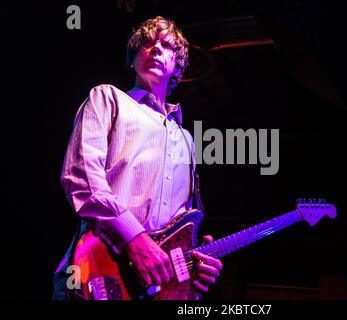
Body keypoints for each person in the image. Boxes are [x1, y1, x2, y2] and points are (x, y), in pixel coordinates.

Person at [53, 16, 222, 299]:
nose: (155, 48)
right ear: (131, 61)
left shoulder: (186, 139)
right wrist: (135, 238)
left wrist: (194, 265)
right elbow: (82, 178)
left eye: (166, 46)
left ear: (177, 67)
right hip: (98, 272)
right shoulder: (107, 98)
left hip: (159, 289)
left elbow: (183, 223)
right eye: (146, 43)